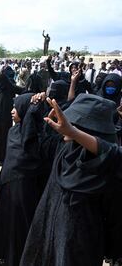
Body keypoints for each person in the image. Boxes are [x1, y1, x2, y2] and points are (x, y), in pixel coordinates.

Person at [20, 93, 118, 266]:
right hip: (44, 237)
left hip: (78, 250)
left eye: (74, 123)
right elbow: (35, 145)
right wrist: (35, 111)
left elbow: (111, 154)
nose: (65, 126)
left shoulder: (107, 168)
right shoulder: (65, 150)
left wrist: (73, 132)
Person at [0, 93, 46, 265]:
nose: (12, 111)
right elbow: (8, 162)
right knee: (6, 227)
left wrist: (37, 105)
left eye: (16, 107)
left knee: (20, 230)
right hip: (8, 188)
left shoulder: (36, 138)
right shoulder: (13, 131)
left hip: (24, 192)